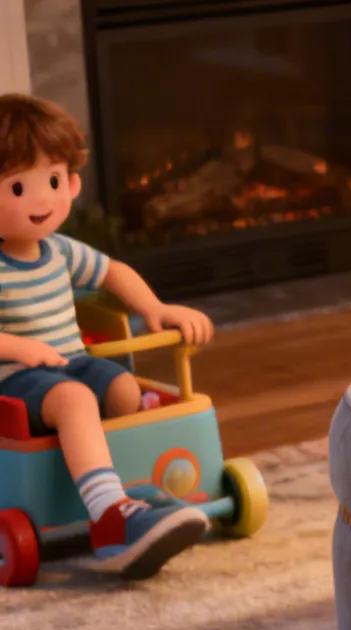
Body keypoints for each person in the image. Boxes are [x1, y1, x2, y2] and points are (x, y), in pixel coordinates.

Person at [0, 94, 215, 579]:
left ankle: (135, 489)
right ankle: (110, 519)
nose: (42, 200)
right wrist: (20, 348)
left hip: (68, 364)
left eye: (53, 181)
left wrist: (154, 308)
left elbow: (112, 272)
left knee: (124, 390)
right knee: (75, 400)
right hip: (14, 382)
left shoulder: (57, 251)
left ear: (71, 183)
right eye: (17, 188)